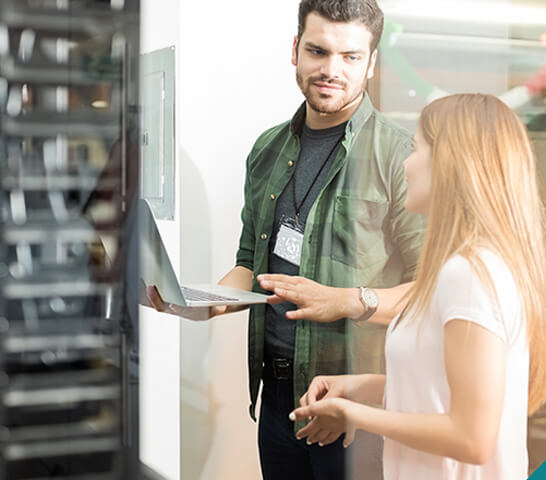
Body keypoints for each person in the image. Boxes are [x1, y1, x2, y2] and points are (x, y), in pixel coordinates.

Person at [144, 1, 426, 478]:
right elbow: (249, 263)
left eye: (351, 57)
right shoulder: (267, 149)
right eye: (317, 51)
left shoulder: (401, 156)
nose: (331, 70)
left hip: (357, 408)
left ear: (372, 63)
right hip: (276, 399)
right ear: (295, 50)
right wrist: (203, 302)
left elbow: (431, 292)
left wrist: (348, 300)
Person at [287, 94, 546, 479]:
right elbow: (442, 390)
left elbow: (471, 437)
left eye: (416, 149)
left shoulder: (470, 275)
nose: (406, 165)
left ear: (449, 163)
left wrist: (356, 415)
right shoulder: (464, 268)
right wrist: (363, 388)